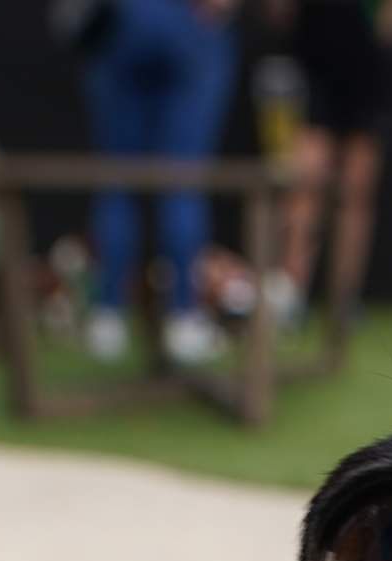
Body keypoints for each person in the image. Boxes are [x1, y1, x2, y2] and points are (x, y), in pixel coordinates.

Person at [265, 0, 392, 368]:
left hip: (368, 61)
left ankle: (343, 301)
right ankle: (290, 296)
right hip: (315, 49)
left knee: (355, 192)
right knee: (303, 184)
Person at [81, 0, 241, 365]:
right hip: (183, 23)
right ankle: (183, 316)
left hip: (124, 21)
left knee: (118, 177)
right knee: (181, 177)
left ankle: (109, 315)